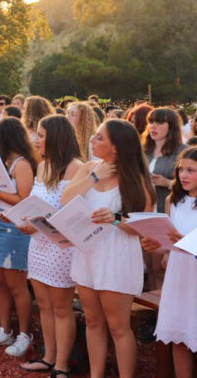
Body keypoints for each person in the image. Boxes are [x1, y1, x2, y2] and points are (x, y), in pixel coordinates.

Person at [61, 119, 155, 378]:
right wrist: (94, 177)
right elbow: (66, 200)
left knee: (118, 327)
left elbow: (144, 228)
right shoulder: (90, 168)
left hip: (118, 255)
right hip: (87, 251)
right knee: (93, 321)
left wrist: (115, 218)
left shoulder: (136, 180)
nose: (92, 139)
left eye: (99, 137)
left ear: (116, 147)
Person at [16, 115, 83, 375]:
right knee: (43, 303)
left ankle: (62, 366)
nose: (36, 140)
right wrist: (23, 219)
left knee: (61, 307)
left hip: (61, 246)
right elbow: (35, 201)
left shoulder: (77, 167)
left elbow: (74, 211)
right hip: (38, 243)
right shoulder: (43, 166)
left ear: (56, 137)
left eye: (41, 135)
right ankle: (48, 357)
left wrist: (41, 221)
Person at [0, 117, 37, 357]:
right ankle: (4, 329)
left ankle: (25, 334)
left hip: (15, 228)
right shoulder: (3, 162)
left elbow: (25, 198)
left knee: (16, 284)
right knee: (0, 281)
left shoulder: (22, 164)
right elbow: (2, 195)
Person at [146, 146, 197, 378]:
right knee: (179, 332)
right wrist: (159, 245)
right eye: (181, 169)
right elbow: (170, 239)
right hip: (179, 274)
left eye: (191, 170)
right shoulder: (172, 200)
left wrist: (186, 241)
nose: (183, 175)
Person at [142, 107, 186, 290]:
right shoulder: (144, 150)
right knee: (150, 267)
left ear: (172, 126)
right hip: (142, 216)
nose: (154, 126)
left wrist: (168, 183)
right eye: (151, 122)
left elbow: (191, 184)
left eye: (160, 122)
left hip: (165, 215)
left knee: (163, 267)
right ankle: (152, 314)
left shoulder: (182, 152)